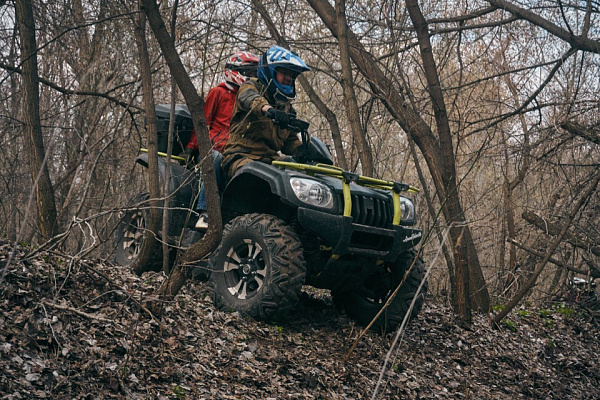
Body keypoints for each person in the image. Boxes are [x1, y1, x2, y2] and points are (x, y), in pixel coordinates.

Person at [185, 51, 259, 229]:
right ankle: (204, 212)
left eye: (254, 73)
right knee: (215, 159)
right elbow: (203, 122)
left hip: (238, 151)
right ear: (234, 71)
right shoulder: (219, 92)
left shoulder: (250, 100)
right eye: (248, 73)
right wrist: (190, 148)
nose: (251, 77)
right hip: (215, 148)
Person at [221, 45, 311, 179]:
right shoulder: (251, 86)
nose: (288, 78)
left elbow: (290, 141)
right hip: (241, 156)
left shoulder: (287, 108)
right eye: (284, 73)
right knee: (254, 176)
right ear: (270, 71)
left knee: (301, 178)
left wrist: (303, 150)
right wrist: (267, 109)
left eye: (291, 76)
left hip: (271, 161)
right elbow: (249, 98)